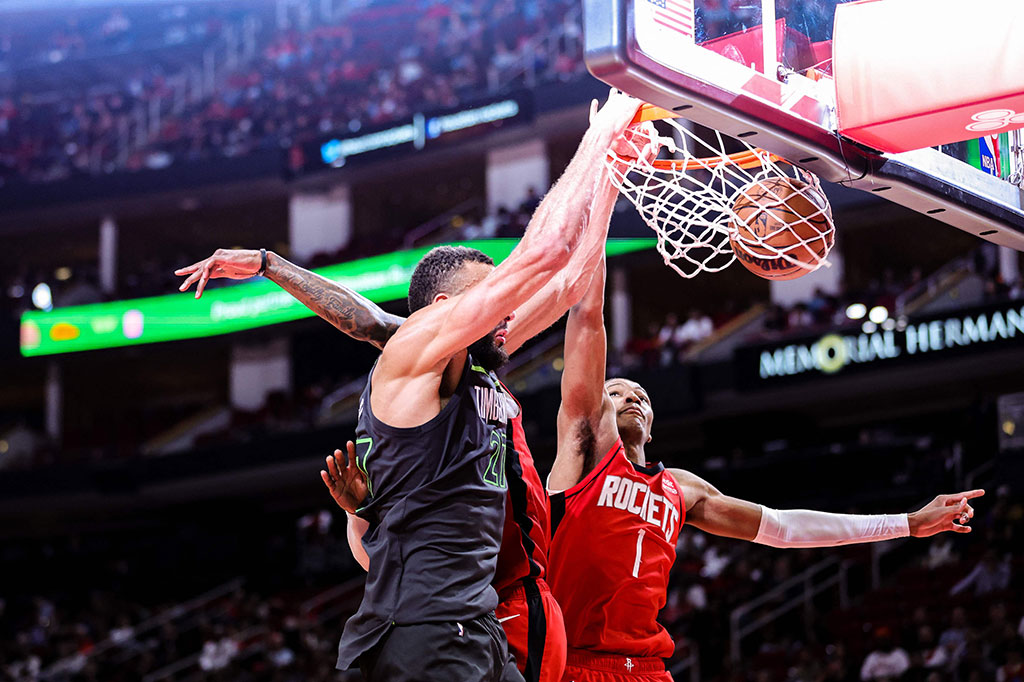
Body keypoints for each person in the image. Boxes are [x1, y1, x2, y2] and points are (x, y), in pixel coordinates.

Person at [176, 90, 646, 682]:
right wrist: (599, 134)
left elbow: (570, 280)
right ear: (446, 311)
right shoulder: (420, 357)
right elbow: (545, 253)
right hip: (424, 629)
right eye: (490, 296)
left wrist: (612, 175)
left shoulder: (474, 359)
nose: (507, 311)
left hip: (469, 624)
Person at [544, 253, 984, 682]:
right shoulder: (581, 458)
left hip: (647, 668)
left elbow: (785, 528)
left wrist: (906, 523)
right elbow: (587, 320)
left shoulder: (681, 490)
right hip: (571, 662)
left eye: (642, 395)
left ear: (654, 429)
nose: (632, 398)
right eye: (617, 393)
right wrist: (595, 230)